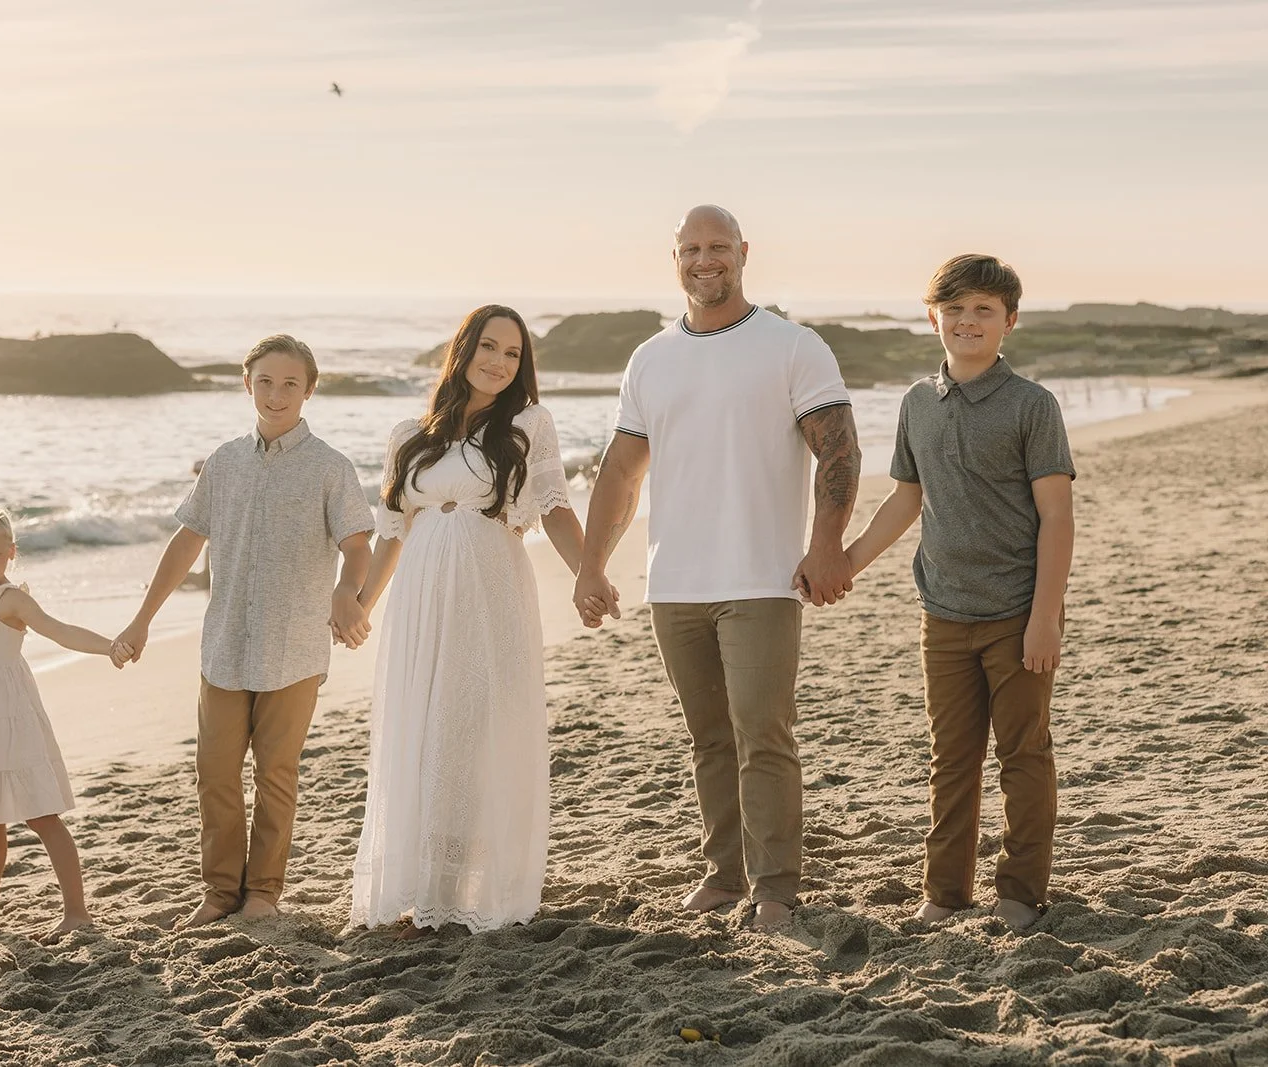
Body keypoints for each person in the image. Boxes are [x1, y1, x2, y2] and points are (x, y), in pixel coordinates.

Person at [573, 205, 861, 931]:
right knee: (708, 737)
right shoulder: (650, 357)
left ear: (743, 253)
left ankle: (775, 885)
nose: (706, 260)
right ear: (675, 258)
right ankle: (726, 872)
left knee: (763, 731)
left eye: (719, 247)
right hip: (674, 583)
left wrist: (825, 544)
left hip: (762, 577)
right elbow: (621, 471)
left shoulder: (792, 346)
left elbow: (839, 450)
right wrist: (591, 564)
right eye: (692, 248)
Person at [350, 304, 603, 936]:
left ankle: (460, 892)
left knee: (469, 730)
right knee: (420, 728)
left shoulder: (527, 424)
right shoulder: (409, 435)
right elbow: (390, 536)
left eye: (512, 353)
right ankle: (418, 892)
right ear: (462, 350)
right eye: (488, 346)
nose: (497, 362)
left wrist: (587, 573)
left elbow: (553, 509)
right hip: (418, 603)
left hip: (488, 593)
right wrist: (358, 604)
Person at [844, 254, 1074, 933]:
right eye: (956, 309)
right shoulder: (917, 403)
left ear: (1009, 321)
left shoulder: (1032, 405)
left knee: (1023, 755)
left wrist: (1045, 618)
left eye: (983, 310)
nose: (968, 321)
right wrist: (846, 561)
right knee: (951, 759)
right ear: (932, 318)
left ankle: (1022, 890)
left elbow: (1057, 517)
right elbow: (905, 500)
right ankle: (944, 892)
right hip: (941, 614)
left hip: (1016, 615)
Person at [116, 334, 374, 927]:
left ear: (309, 391)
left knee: (277, 774)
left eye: (290, 383)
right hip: (225, 645)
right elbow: (187, 542)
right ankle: (218, 892)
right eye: (265, 381)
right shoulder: (225, 462)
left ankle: (263, 892)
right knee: (215, 773)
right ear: (246, 384)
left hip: (293, 648)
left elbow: (358, 546)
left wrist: (346, 591)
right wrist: (142, 619)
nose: (276, 394)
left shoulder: (331, 467)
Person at [0, 498, 130, 940]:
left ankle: (76, 911)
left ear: (12, 552)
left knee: (41, 816)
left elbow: (59, 630)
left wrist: (109, 646)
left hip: (10, 721)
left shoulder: (11, 599)